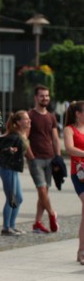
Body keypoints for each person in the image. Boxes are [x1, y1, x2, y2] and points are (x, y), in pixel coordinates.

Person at [26, 85, 60, 233]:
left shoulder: (51, 116)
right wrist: (30, 155)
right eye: (42, 96)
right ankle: (52, 214)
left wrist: (58, 157)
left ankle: (37, 222)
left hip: (50, 158)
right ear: (36, 97)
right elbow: (24, 137)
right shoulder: (30, 115)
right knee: (41, 188)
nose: (45, 98)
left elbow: (55, 138)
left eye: (47, 96)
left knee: (44, 192)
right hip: (36, 159)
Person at [0, 110, 31, 236]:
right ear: (18, 122)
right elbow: (0, 148)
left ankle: (11, 226)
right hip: (7, 169)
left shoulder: (21, 134)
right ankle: (6, 228)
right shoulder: (12, 136)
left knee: (19, 198)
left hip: (13, 169)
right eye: (26, 119)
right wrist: (9, 150)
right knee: (11, 198)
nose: (29, 121)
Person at [63, 101, 84, 264]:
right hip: (79, 173)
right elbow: (69, 149)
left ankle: (81, 251)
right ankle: (81, 251)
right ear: (78, 113)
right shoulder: (69, 129)